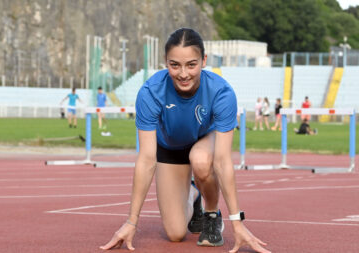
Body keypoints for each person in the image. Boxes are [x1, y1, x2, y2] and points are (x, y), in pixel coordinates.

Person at [100, 28, 270, 253]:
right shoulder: (150, 93)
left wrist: (237, 222)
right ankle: (194, 194)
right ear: (165, 62)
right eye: (175, 65)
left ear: (204, 61)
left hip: (203, 142)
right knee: (175, 233)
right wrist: (132, 222)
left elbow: (222, 161)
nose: (183, 74)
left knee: (200, 160)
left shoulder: (222, 93)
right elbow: (146, 159)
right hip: (169, 148)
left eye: (191, 64)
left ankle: (211, 214)